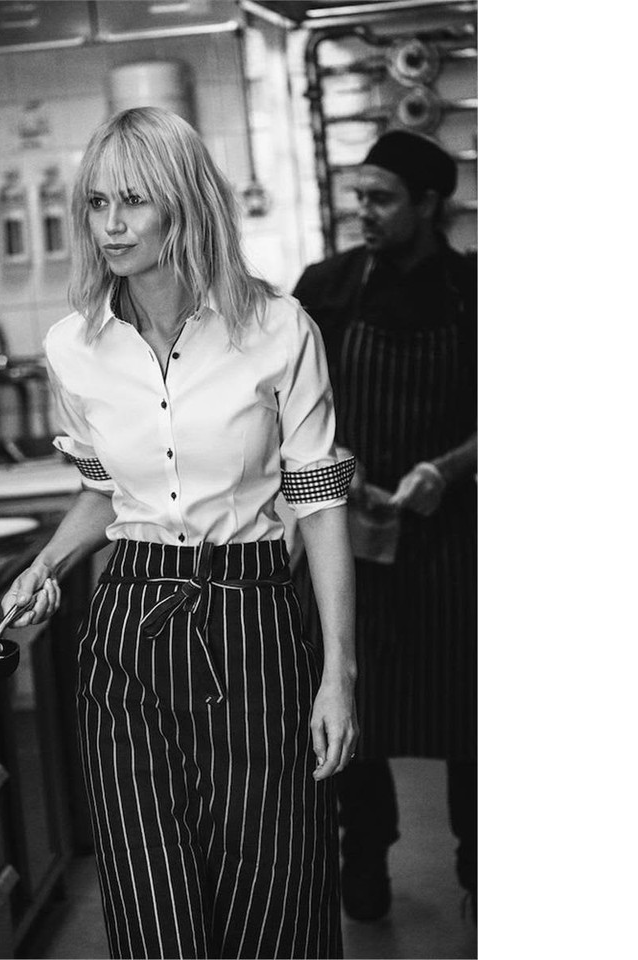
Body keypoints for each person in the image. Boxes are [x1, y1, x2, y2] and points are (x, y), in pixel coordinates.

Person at [0, 106, 358, 960]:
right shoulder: (74, 347)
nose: (111, 225)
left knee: (275, 889)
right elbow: (107, 495)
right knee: (150, 896)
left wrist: (338, 673)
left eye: (134, 201)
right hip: (130, 630)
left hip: (254, 624)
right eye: (97, 203)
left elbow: (317, 503)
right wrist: (47, 562)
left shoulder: (279, 329)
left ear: (184, 203)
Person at [292, 129, 478, 923]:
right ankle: (363, 857)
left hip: (453, 541)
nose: (362, 211)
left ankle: (482, 868)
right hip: (354, 538)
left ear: (429, 204)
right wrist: (336, 458)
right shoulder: (326, 287)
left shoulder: (478, 291)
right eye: (358, 196)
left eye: (381, 198)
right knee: (352, 706)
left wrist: (449, 469)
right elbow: (288, 405)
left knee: (472, 712)